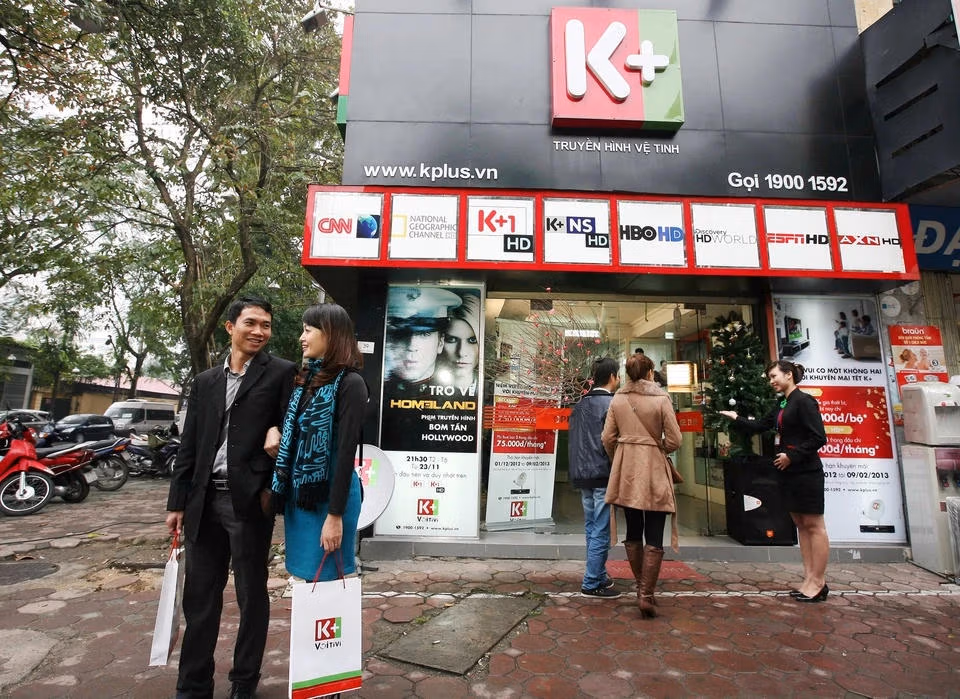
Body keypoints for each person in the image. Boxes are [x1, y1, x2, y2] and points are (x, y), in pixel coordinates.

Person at [166, 296, 297, 699]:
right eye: (251, 323)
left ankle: (244, 682)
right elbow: (190, 445)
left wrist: (278, 435)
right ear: (230, 327)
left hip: (249, 503)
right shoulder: (205, 381)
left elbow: (294, 428)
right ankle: (193, 685)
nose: (259, 331)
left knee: (251, 596)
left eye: (266, 325)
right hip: (203, 502)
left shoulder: (282, 373)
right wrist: (177, 502)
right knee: (199, 599)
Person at [271, 303, 368, 585]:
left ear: (330, 333)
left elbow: (345, 454)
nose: (302, 338)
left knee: (329, 580)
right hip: (302, 498)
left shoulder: (350, 384)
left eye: (308, 330)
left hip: (330, 501)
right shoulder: (306, 381)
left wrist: (335, 516)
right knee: (304, 578)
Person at [719, 360, 829, 603]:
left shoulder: (804, 401)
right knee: (801, 525)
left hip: (806, 472)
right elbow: (761, 425)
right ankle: (809, 579)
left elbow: (819, 437)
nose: (771, 381)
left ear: (788, 375)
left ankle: (819, 581)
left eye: (773, 376)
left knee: (814, 525)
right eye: (769, 377)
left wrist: (792, 456)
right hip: (789, 473)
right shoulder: (783, 403)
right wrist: (736, 418)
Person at [601, 353, 682, 618]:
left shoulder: (618, 398)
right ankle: (647, 594)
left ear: (627, 374)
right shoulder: (661, 398)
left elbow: (607, 437)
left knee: (633, 529)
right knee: (655, 531)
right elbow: (675, 439)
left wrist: (620, 456)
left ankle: (640, 588)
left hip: (627, 469)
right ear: (650, 373)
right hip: (654, 467)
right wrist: (658, 448)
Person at [568, 357, 621, 599]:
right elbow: (612, 440)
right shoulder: (612, 404)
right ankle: (591, 583)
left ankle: (598, 574)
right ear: (612, 377)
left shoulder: (579, 404)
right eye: (617, 375)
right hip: (602, 473)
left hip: (583, 474)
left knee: (591, 526)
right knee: (601, 528)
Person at [383, 286, 462, 396]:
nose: (411, 346)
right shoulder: (376, 391)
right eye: (401, 333)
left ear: (440, 343)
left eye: (425, 334)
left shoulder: (457, 399)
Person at [434, 291, 481, 395]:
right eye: (451, 340)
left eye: (472, 340)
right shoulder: (421, 393)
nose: (461, 352)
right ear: (440, 341)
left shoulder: (490, 392)